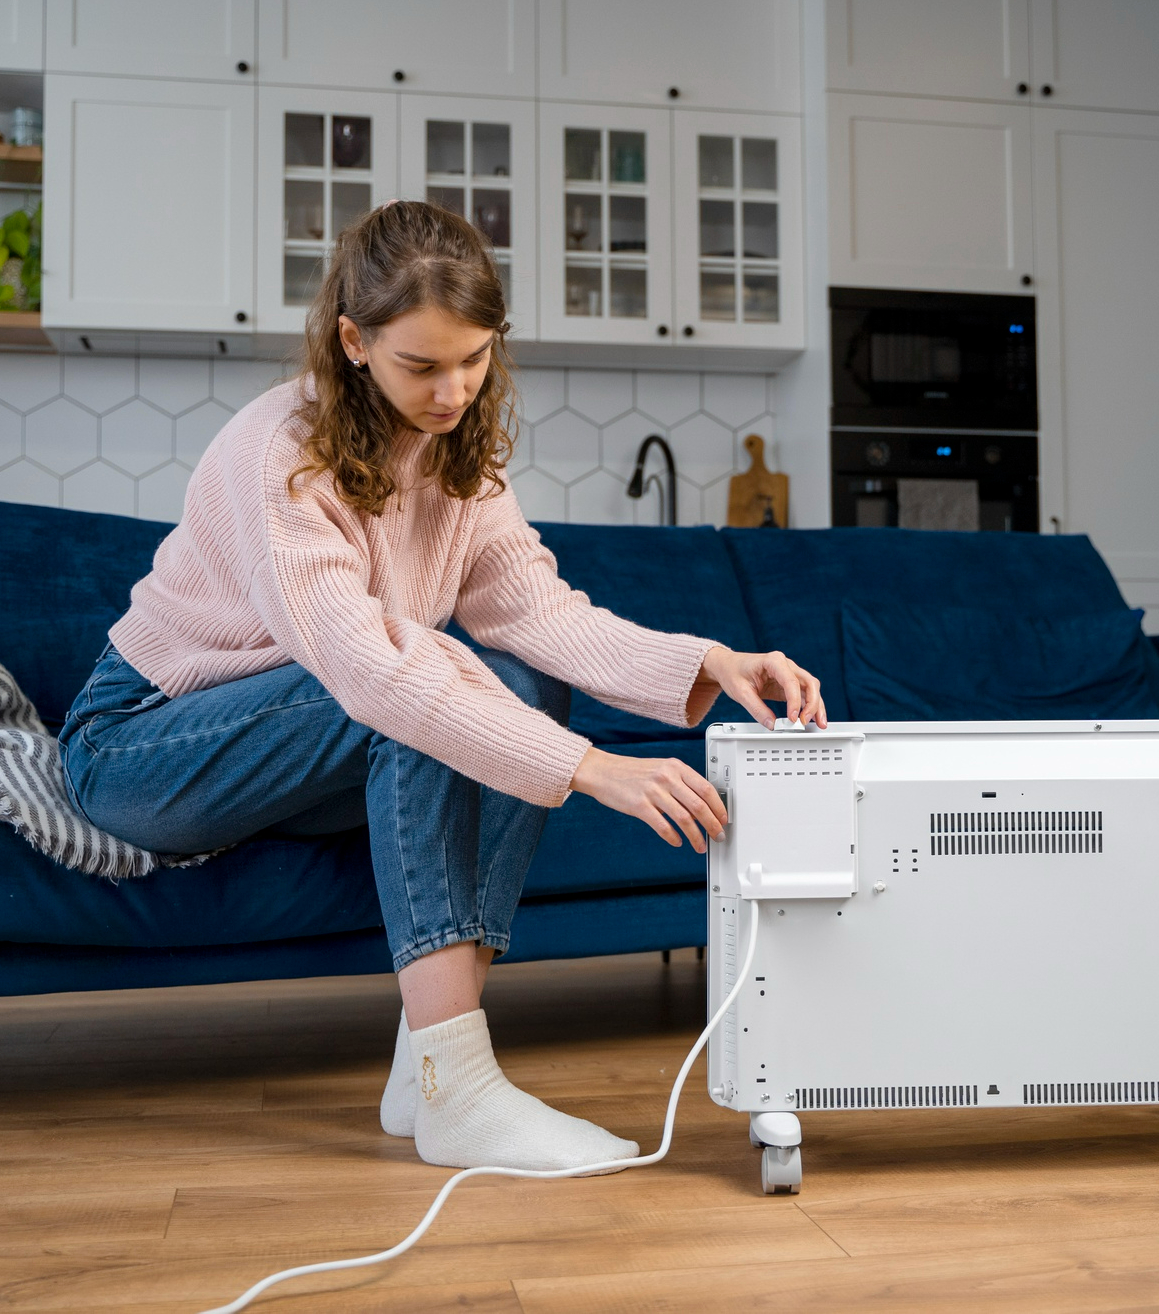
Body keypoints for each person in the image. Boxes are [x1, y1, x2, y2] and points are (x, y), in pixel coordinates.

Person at [58, 200, 826, 1175]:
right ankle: (459, 1087)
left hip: (296, 746)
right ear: (353, 340)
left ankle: (425, 1065)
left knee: (524, 678)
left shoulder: (458, 459)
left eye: (473, 358)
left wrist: (706, 659)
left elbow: (539, 615)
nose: (453, 390)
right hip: (141, 746)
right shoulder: (278, 455)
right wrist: (594, 771)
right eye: (421, 365)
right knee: (414, 698)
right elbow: (371, 671)